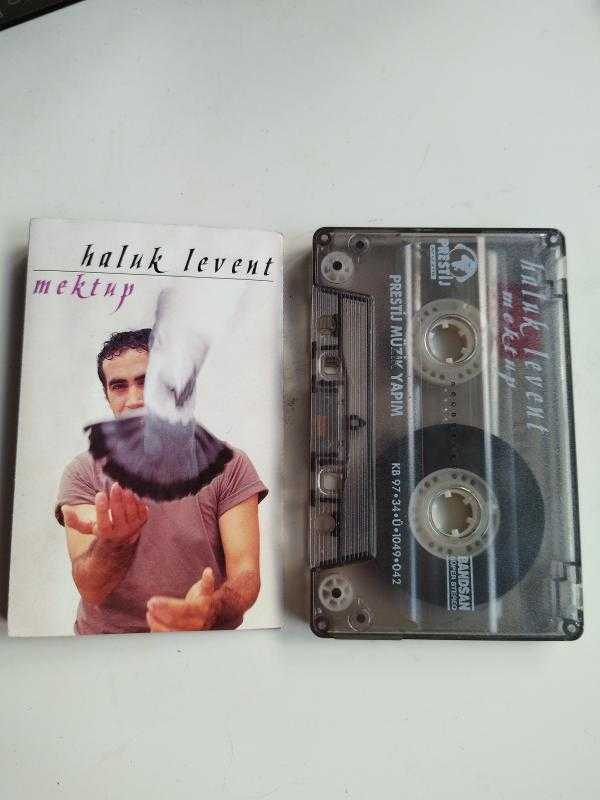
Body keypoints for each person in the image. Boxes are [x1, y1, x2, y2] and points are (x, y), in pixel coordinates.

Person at [55, 329, 267, 635]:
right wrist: (115, 543)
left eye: (146, 381)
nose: (134, 400)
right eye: (119, 386)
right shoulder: (83, 473)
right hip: (107, 645)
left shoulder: (230, 465)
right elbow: (91, 589)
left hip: (203, 641)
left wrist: (209, 610)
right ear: (107, 396)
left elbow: (245, 576)